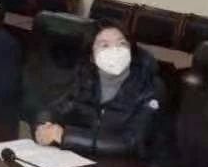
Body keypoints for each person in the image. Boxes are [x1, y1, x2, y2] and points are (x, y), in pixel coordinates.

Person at [34, 19, 162, 159]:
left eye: (122, 44)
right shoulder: (87, 77)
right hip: (86, 159)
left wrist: (66, 136)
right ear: (92, 57)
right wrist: (43, 127)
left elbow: (131, 143)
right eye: (105, 45)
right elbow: (53, 109)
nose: (115, 51)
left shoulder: (150, 86)